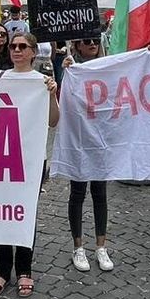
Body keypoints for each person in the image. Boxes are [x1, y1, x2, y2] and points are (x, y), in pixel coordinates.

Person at [0, 29, 58, 296]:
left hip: (30, 158)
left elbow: (53, 121)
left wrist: (52, 94)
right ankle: (2, 270)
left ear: (33, 51)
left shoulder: (42, 81)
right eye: (13, 46)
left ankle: (24, 270)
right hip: (1, 156)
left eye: (22, 46)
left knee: (25, 214)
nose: (16, 50)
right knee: (1, 212)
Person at [59, 35, 114, 272]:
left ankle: (101, 247)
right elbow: (63, 101)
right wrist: (65, 72)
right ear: (78, 45)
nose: (93, 44)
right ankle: (78, 247)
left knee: (100, 193)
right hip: (79, 139)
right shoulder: (72, 69)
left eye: (95, 40)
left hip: (100, 139)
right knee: (78, 193)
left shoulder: (109, 67)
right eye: (88, 41)